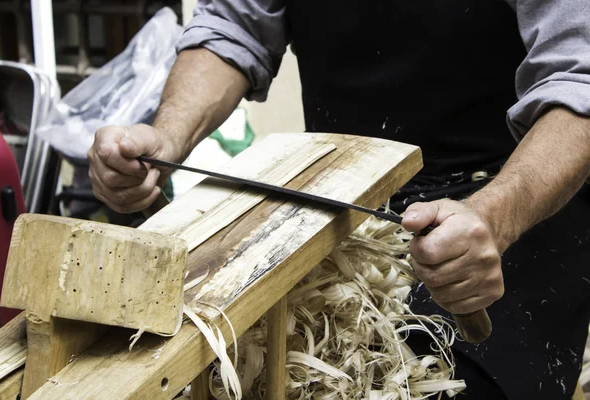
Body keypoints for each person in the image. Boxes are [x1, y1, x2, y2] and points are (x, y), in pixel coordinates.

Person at [87, 1, 590, 398]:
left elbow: (579, 83)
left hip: (501, 208)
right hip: (342, 209)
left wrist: (493, 219)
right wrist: (167, 137)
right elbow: (232, 27)